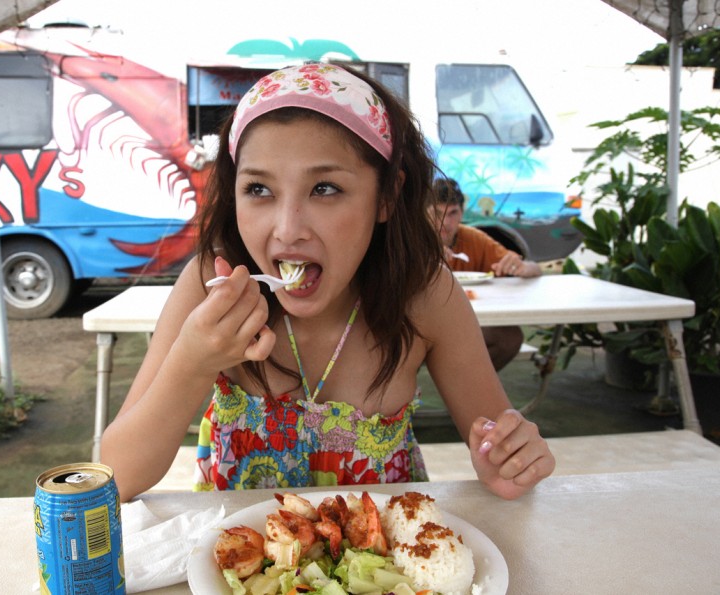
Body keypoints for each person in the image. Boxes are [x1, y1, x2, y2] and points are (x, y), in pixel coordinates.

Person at [100, 63, 554, 501]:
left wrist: (509, 462)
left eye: (324, 189)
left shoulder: (425, 294)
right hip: (237, 551)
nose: (287, 229)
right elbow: (117, 477)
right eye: (258, 189)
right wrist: (193, 361)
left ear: (387, 196)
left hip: (386, 549)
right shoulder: (212, 285)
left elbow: (501, 447)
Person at [431, 179, 542, 371]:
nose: (445, 223)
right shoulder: (410, 241)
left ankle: (465, 387)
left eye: (452, 213)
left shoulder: (473, 238)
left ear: (462, 213)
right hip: (421, 324)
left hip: (465, 324)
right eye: (437, 213)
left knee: (510, 338)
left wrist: (524, 267)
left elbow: (534, 268)